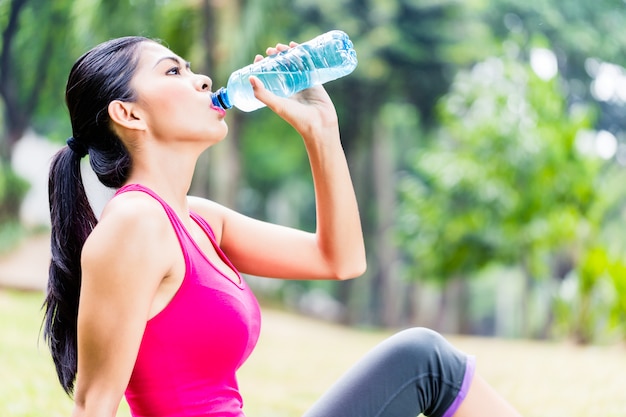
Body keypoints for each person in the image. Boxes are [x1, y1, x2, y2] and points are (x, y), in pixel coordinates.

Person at [43, 36, 521, 417]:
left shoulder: (201, 221)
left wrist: (321, 132)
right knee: (424, 360)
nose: (202, 79)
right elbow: (94, 404)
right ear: (129, 114)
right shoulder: (134, 224)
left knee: (423, 359)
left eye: (190, 68)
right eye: (173, 71)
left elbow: (341, 260)